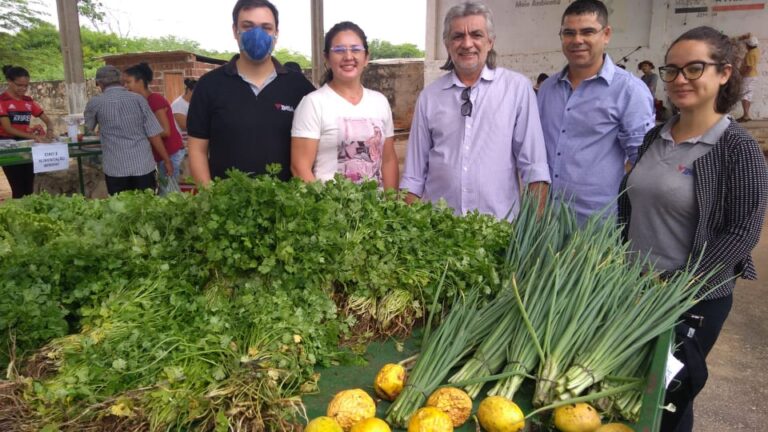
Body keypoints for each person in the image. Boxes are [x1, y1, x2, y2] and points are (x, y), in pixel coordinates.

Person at [618, 26, 768, 432]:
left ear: (724, 73)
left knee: (667, 400)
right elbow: (627, 206)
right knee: (626, 394)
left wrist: (679, 287)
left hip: (692, 300)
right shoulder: (655, 137)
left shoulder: (737, 148)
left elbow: (742, 233)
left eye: (694, 68)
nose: (680, 79)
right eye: (673, 70)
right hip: (634, 290)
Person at [400, 1, 550, 220]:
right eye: (458, 36)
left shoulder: (516, 89)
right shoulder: (430, 97)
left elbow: (534, 169)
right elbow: (413, 176)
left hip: (500, 231)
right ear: (447, 44)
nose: (467, 43)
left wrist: (533, 232)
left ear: (490, 42)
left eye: (476, 35)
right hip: (440, 231)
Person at [537, 0, 654, 224]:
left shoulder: (628, 91)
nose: (577, 40)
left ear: (606, 34)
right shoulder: (548, 89)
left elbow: (642, 161)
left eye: (587, 32)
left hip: (596, 226)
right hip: (546, 221)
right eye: (569, 33)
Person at [187, 0, 315, 185]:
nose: (257, 34)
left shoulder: (299, 87)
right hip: (227, 205)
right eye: (248, 26)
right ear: (234, 30)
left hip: (287, 206)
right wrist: (210, 198)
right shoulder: (209, 85)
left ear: (276, 33)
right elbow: (197, 149)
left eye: (266, 27)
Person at [291, 21, 398, 190]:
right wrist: (327, 211)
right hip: (331, 212)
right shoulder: (313, 103)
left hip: (378, 214)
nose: (348, 56)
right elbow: (300, 168)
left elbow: (389, 160)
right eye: (339, 50)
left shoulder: (380, 102)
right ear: (327, 58)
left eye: (355, 49)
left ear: (366, 57)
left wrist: (392, 206)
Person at [84, 65, 173, 195]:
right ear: (121, 81)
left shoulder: (95, 103)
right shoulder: (139, 99)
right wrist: (166, 160)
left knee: (120, 211)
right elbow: (153, 134)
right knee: (146, 208)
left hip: (116, 169)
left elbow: (88, 128)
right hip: (143, 167)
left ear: (99, 83)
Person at [123, 62, 185, 195]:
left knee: (169, 195)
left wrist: (142, 134)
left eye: (129, 82)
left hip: (171, 153)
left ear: (140, 81)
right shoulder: (143, 101)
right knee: (167, 193)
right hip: (163, 155)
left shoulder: (154, 100)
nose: (126, 86)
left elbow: (165, 131)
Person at [0, 65, 55, 198]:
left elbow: (47, 120)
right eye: (19, 85)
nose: (23, 89)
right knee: (18, 188)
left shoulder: (28, 101)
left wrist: (50, 131)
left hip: (27, 145)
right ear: (9, 81)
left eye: (26, 86)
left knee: (29, 186)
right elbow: (8, 128)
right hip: (8, 147)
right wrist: (32, 136)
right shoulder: (2, 101)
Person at [737, 33, 760, 122]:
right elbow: (750, 36)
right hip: (753, 76)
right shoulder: (756, 50)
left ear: (748, 45)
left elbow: (749, 68)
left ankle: (745, 115)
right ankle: (746, 115)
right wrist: (744, 37)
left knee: (745, 96)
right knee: (748, 95)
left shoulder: (750, 54)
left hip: (748, 77)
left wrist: (741, 75)